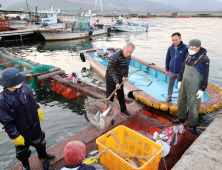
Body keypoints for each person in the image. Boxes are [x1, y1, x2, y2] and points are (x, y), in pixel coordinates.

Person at [0, 68, 55, 170]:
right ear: (11, 83)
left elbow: (32, 99)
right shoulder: (3, 100)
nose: (22, 82)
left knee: (40, 141)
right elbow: (7, 121)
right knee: (22, 151)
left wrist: (37, 108)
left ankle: (42, 154)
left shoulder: (24, 87)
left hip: (34, 124)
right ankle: (26, 165)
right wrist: (15, 135)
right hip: (21, 131)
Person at [172, 39, 210, 134]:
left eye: (192, 48)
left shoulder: (204, 59)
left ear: (198, 47)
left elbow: (205, 76)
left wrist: (202, 89)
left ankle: (193, 125)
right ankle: (181, 118)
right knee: (181, 100)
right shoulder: (188, 54)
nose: (190, 49)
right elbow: (183, 68)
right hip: (185, 82)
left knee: (193, 105)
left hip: (195, 85)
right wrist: (180, 80)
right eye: (189, 47)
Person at [105, 42, 135, 116]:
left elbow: (126, 66)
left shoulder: (128, 57)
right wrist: (116, 82)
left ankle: (123, 110)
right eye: (127, 51)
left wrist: (125, 76)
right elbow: (111, 70)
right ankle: (109, 114)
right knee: (110, 98)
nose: (128, 54)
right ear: (124, 48)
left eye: (130, 52)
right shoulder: (115, 56)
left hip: (119, 78)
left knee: (121, 95)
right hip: (111, 79)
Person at [165, 32, 188, 102]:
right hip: (171, 71)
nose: (174, 41)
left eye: (176, 39)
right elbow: (167, 59)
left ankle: (180, 99)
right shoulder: (170, 48)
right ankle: (169, 97)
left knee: (180, 87)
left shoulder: (185, 48)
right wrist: (167, 69)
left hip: (181, 72)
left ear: (180, 39)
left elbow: (188, 60)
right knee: (170, 86)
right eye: (173, 40)